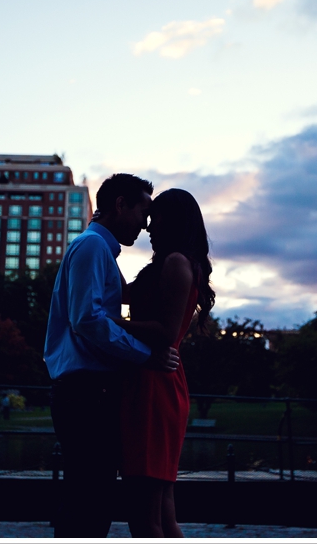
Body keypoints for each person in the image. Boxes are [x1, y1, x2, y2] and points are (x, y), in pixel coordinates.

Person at [43, 173, 180, 538]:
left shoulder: (99, 249)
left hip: (89, 391)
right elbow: (88, 319)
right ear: (120, 205)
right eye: (143, 212)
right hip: (86, 391)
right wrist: (145, 356)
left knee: (90, 497)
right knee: (88, 500)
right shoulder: (92, 248)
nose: (146, 223)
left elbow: (121, 300)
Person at [112, 188, 215, 538]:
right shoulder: (170, 264)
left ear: (173, 222)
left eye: (155, 221)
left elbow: (165, 330)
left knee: (145, 516)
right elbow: (128, 295)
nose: (149, 229)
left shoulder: (176, 264)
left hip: (156, 384)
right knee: (159, 511)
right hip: (153, 379)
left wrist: (112, 326)